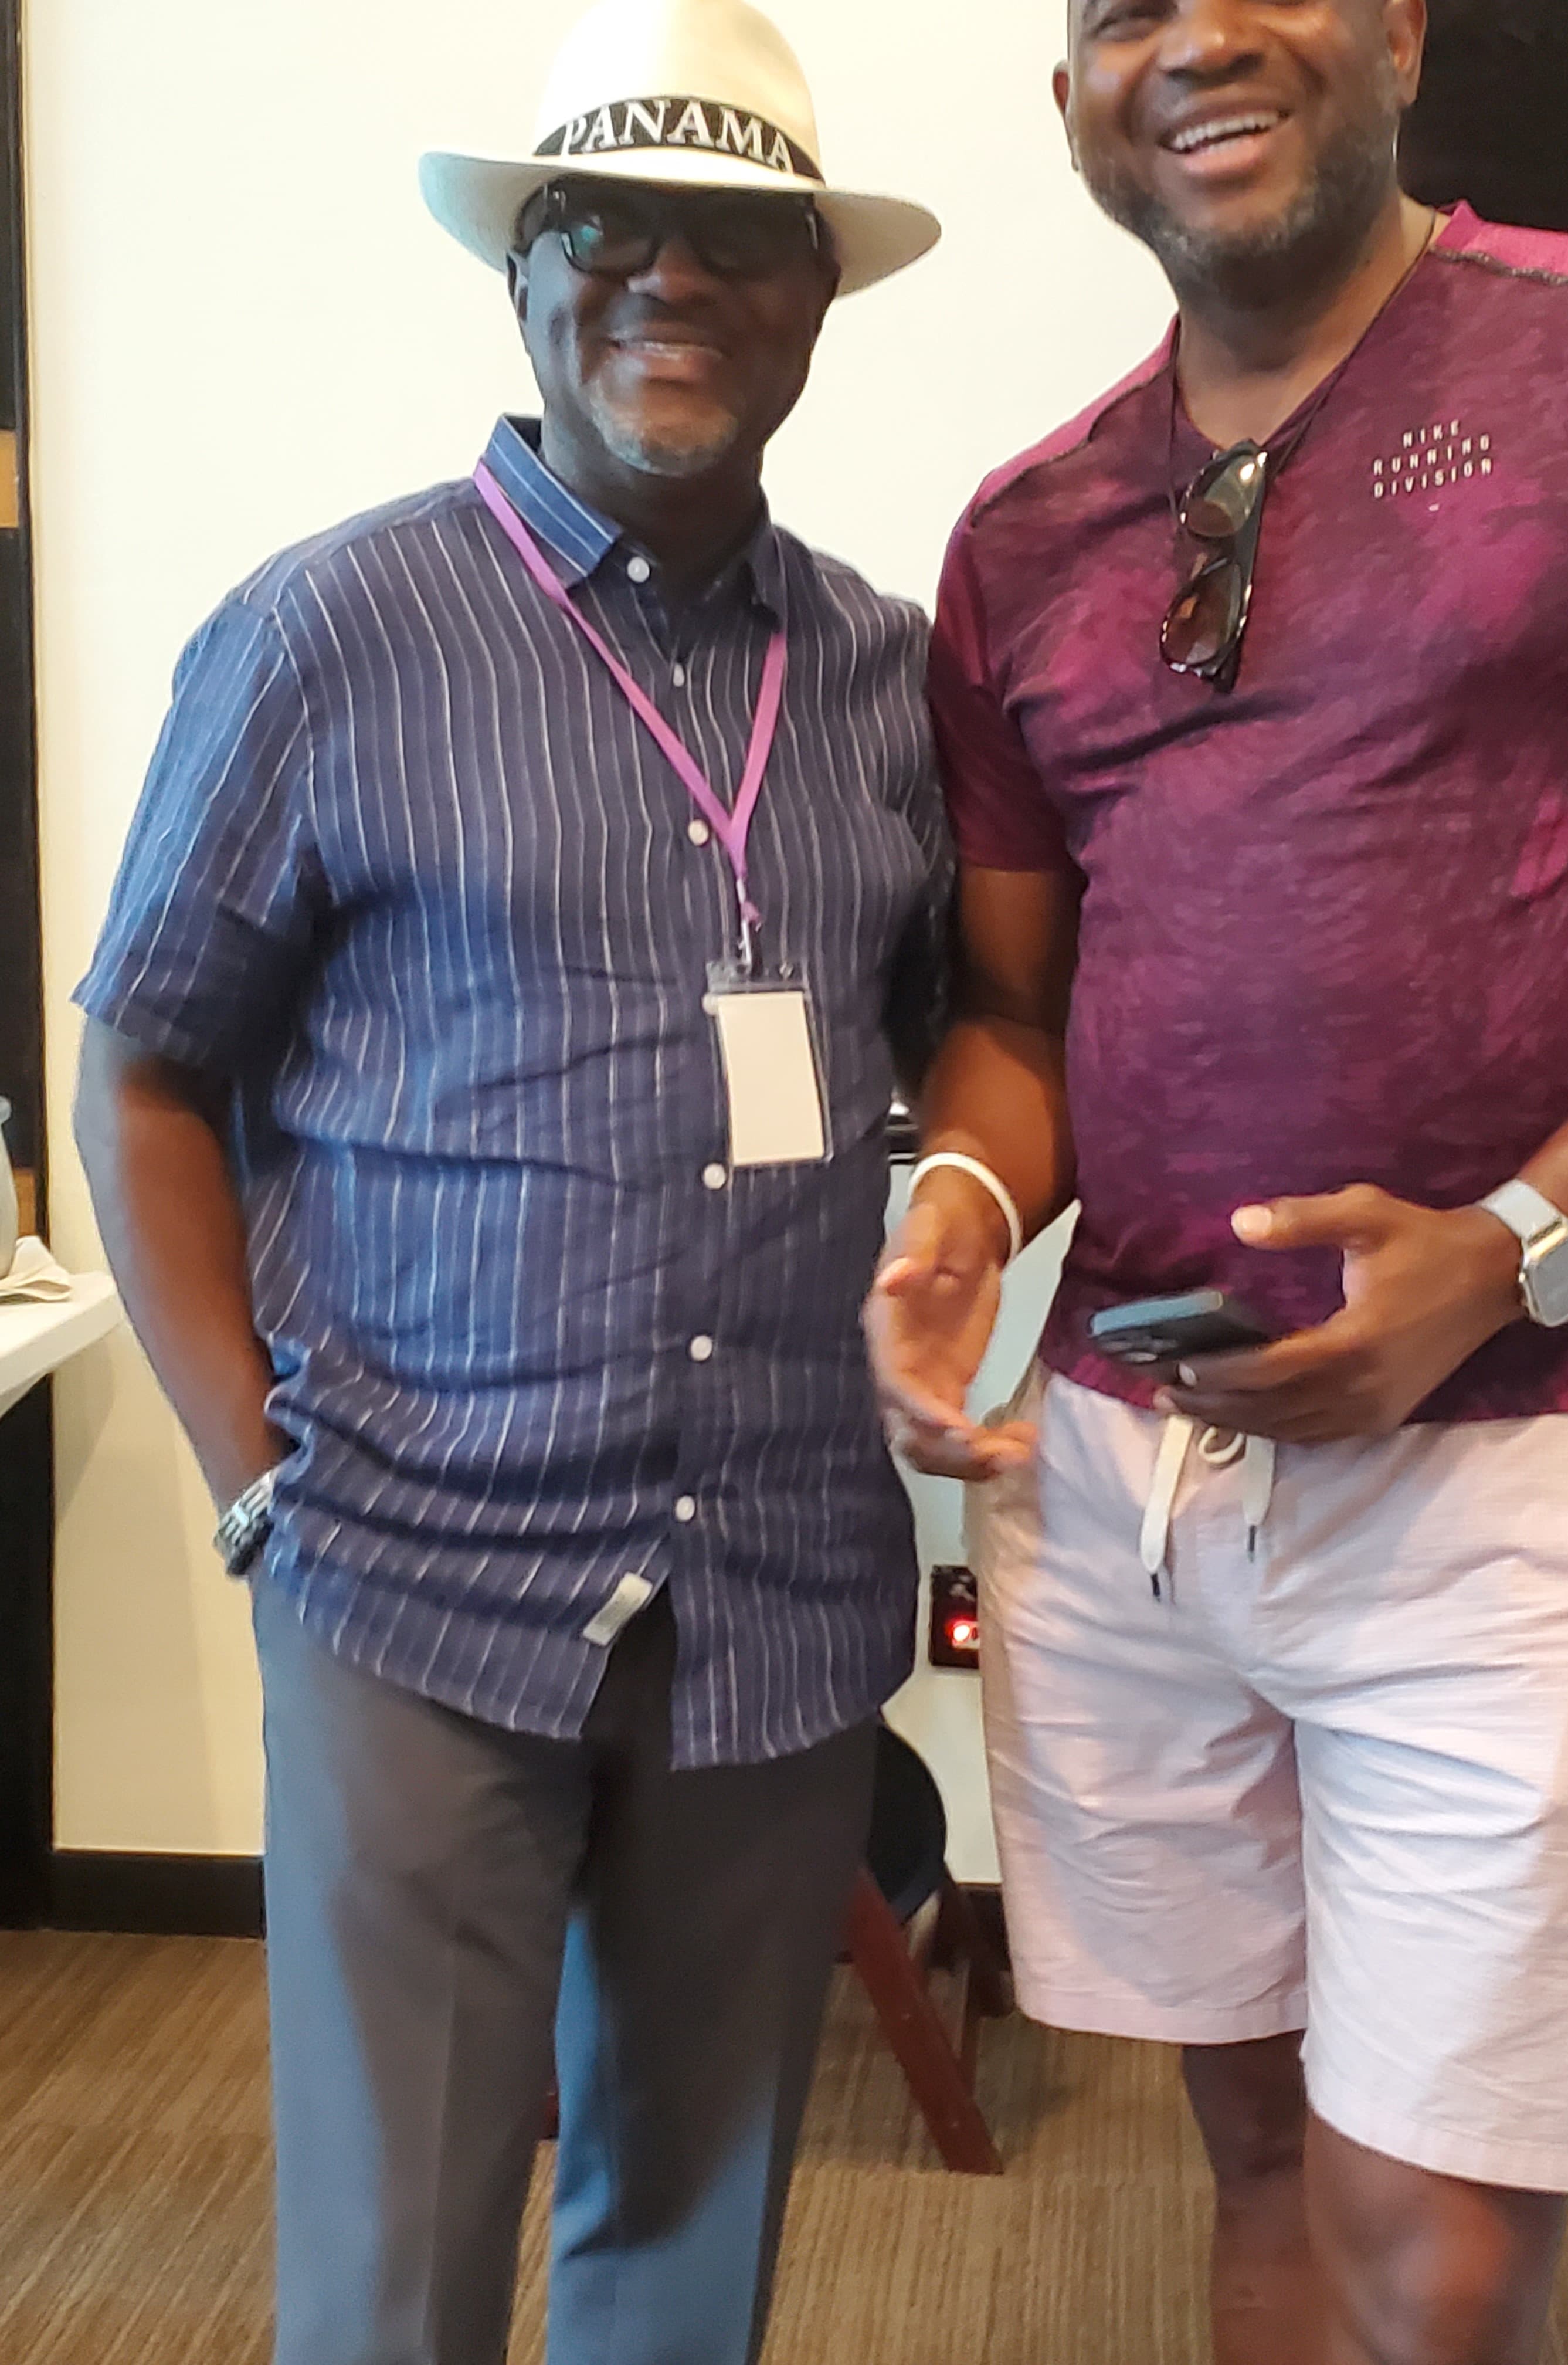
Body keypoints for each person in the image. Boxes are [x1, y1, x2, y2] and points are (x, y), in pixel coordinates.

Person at [869, 2, 1568, 2360]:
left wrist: (1510, 1250)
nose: (1195, 41)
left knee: (1438, 2252)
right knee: (1258, 2143)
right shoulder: (1027, 529)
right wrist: (960, 1212)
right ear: (1069, 96)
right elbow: (1019, 1015)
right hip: (1139, 1469)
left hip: (1531, 1450)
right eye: (1122, 11)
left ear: (1395, 24)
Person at [72, 4, 945, 2360]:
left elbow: (964, 1036)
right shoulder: (326, 633)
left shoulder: (886, 676)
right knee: (399, 2262)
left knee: (696, 2232)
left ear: (816, 297)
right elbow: (142, 1071)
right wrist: (256, 1482)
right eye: (603, 225)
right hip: (412, 1572)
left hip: (775, 1578)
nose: (670, 278)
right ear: (523, 272)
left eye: (736, 238)